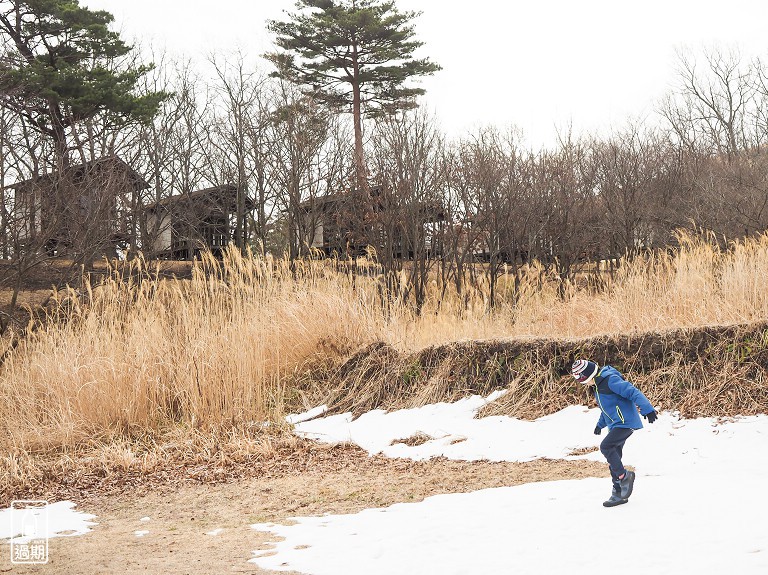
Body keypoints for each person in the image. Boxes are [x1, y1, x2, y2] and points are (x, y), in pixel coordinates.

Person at [571, 359, 658, 507]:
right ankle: (618, 493)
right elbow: (607, 409)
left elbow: (633, 392)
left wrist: (647, 409)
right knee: (614, 457)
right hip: (616, 424)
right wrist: (600, 425)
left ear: (588, 376)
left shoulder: (610, 381)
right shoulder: (598, 386)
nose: (584, 385)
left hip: (625, 423)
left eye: (583, 381)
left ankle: (625, 477)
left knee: (606, 447)